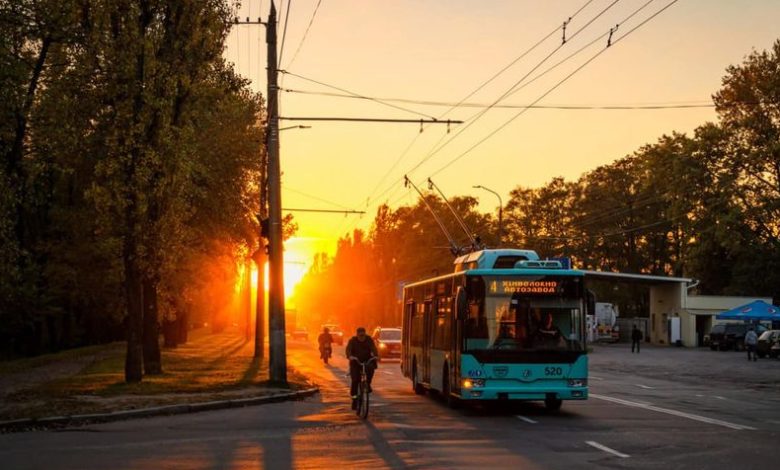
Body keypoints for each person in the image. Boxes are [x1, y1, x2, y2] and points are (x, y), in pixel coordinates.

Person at [346, 327, 379, 409]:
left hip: (366, 360)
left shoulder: (369, 340)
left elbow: (373, 348)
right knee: (355, 380)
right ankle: (354, 399)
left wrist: (376, 356)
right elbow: (348, 349)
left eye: (363, 335)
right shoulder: (352, 341)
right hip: (355, 362)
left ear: (365, 334)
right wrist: (350, 356)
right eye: (360, 335)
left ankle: (368, 384)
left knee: (371, 368)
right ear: (357, 335)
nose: (362, 337)